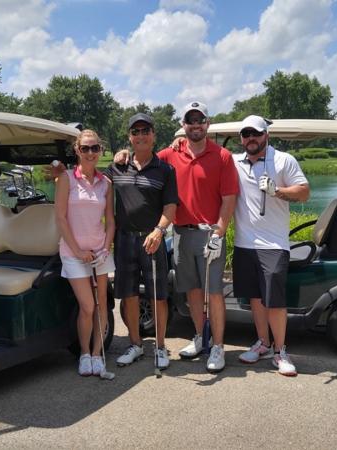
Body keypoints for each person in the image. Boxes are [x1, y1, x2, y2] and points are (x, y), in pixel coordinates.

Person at [119, 102, 239, 373]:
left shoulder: (222, 156)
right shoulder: (171, 154)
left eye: (200, 120)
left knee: (214, 292)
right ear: (183, 126)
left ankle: (218, 346)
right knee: (192, 291)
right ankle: (200, 337)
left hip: (210, 233)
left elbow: (229, 199)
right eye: (190, 121)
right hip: (182, 233)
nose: (195, 125)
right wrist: (123, 153)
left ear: (207, 123)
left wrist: (220, 232)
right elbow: (144, 155)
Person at [232, 115, 309, 376]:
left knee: (274, 300)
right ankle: (263, 343)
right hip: (244, 243)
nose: (251, 139)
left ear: (266, 135)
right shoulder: (235, 162)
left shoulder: (283, 160)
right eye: (246, 134)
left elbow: (304, 192)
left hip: (274, 244)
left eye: (256, 133)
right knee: (255, 297)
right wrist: (178, 144)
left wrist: (278, 191)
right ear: (241, 138)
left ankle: (280, 351)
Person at [105, 113, 178, 370]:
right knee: (129, 295)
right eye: (135, 131)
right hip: (124, 239)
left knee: (159, 295)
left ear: (153, 135)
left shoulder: (165, 170)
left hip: (152, 238)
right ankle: (135, 344)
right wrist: (62, 174)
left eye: (145, 130)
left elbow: (170, 207)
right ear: (130, 137)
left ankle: (160, 346)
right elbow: (90, 181)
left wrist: (159, 231)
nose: (140, 135)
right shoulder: (117, 166)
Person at [54, 129, 116, 377]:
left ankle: (98, 353)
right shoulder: (66, 178)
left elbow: (110, 220)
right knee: (88, 306)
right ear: (77, 150)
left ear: (100, 150)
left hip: (100, 251)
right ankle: (85, 353)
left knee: (102, 305)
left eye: (95, 148)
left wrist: (106, 247)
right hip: (73, 252)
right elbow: (60, 218)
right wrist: (78, 250)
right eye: (85, 148)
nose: (91, 153)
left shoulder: (106, 183)